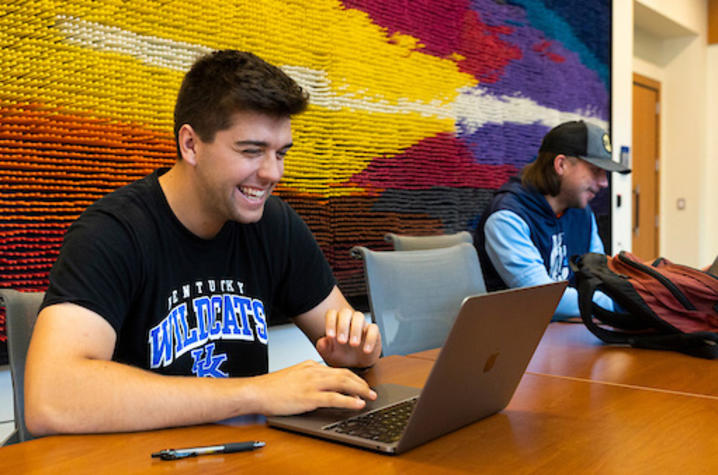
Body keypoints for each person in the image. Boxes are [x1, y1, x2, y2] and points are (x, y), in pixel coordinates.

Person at [24, 50, 382, 436]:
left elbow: (347, 337)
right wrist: (253, 393)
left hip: (248, 456)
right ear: (191, 144)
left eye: (280, 153)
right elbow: (51, 398)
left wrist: (357, 353)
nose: (272, 173)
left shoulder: (274, 224)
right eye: (251, 151)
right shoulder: (112, 233)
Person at [474, 120, 631, 320]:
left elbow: (600, 276)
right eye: (595, 170)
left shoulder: (582, 213)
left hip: (569, 334)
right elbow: (544, 299)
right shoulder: (507, 218)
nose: (604, 183)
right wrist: (624, 304)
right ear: (561, 165)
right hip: (516, 340)